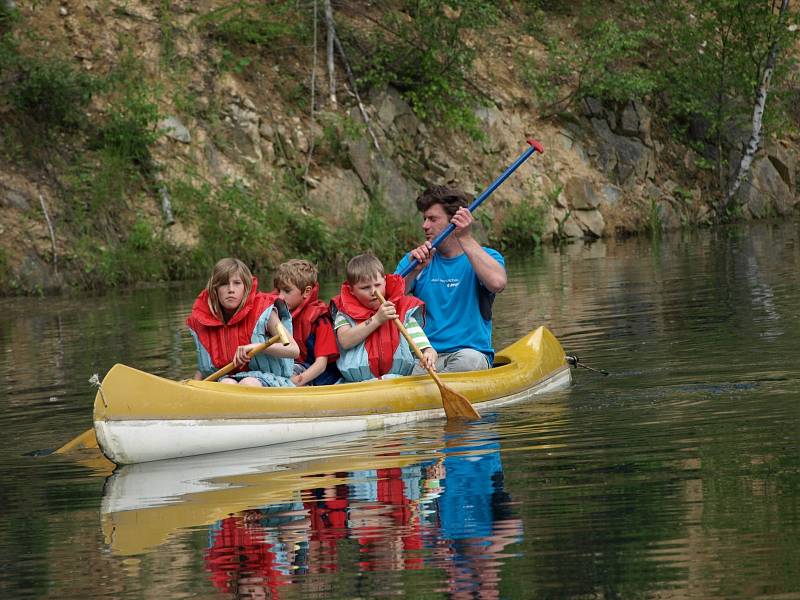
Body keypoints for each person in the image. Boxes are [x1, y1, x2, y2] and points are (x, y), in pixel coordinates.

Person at [395, 185, 507, 373]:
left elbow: (498, 283)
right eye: (424, 219)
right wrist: (414, 271)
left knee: (467, 362)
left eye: (432, 219)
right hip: (426, 357)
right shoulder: (414, 261)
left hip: (470, 355)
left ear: (454, 221)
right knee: (403, 367)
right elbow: (386, 302)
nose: (425, 226)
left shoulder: (486, 256)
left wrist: (465, 238)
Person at [187, 257, 299, 387]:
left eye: (237, 283)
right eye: (224, 284)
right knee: (226, 383)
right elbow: (203, 368)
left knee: (248, 382)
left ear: (245, 286)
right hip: (226, 380)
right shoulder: (203, 321)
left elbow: (293, 349)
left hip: (269, 381)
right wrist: (191, 387)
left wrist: (256, 346)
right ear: (215, 289)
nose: (231, 289)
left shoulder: (266, 313)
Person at [330, 254, 437, 382]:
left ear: (385, 282)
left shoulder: (403, 310)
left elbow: (426, 347)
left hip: (398, 380)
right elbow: (345, 340)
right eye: (365, 288)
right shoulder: (343, 312)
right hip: (357, 383)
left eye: (378, 285)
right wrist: (377, 319)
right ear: (352, 290)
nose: (374, 292)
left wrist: (429, 354)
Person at [273, 259, 340, 386]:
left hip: (315, 377)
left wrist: (296, 382)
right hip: (288, 368)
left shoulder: (320, 321)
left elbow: (321, 365)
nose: (280, 297)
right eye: (278, 291)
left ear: (307, 291)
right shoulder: (275, 315)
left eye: (287, 291)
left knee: (288, 372)